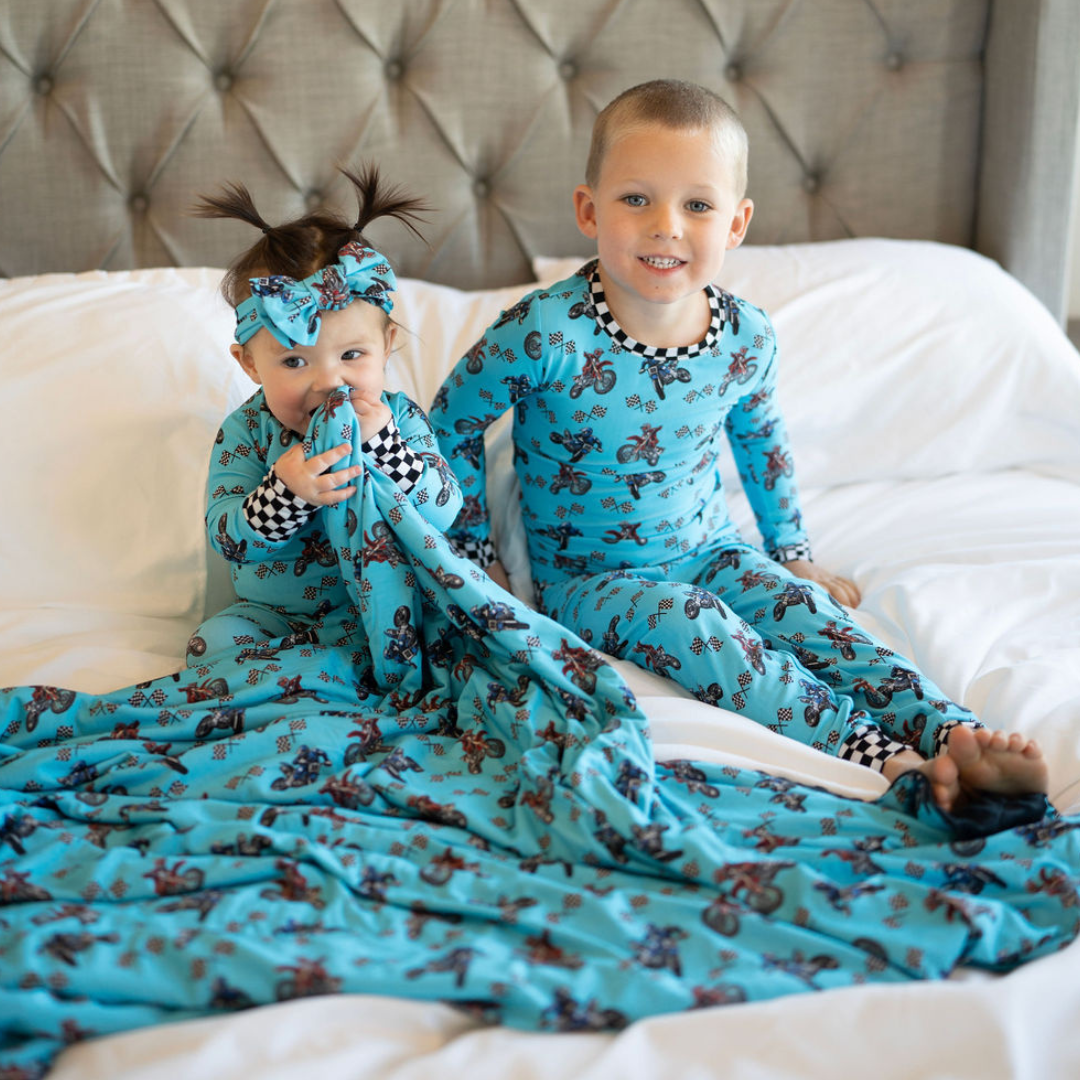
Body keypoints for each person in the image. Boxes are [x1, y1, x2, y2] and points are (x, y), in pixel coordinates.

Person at [430, 79, 1047, 814]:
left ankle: (952, 734)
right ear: (588, 210)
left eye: (697, 205)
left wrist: (790, 549)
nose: (667, 227)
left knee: (810, 616)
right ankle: (879, 755)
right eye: (636, 200)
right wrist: (474, 554)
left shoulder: (745, 337)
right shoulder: (543, 332)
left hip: (712, 545)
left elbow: (761, 437)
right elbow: (450, 425)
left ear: (737, 223)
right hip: (592, 578)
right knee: (698, 627)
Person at [187, 166, 461, 662]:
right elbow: (228, 538)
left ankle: (357, 675)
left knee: (458, 636)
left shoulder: (400, 419)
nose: (329, 382)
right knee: (214, 645)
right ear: (250, 363)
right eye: (295, 361)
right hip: (275, 619)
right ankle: (310, 681)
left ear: (387, 345)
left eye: (351, 356)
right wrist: (283, 493)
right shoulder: (246, 434)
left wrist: (384, 445)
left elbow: (444, 508)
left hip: (390, 607)